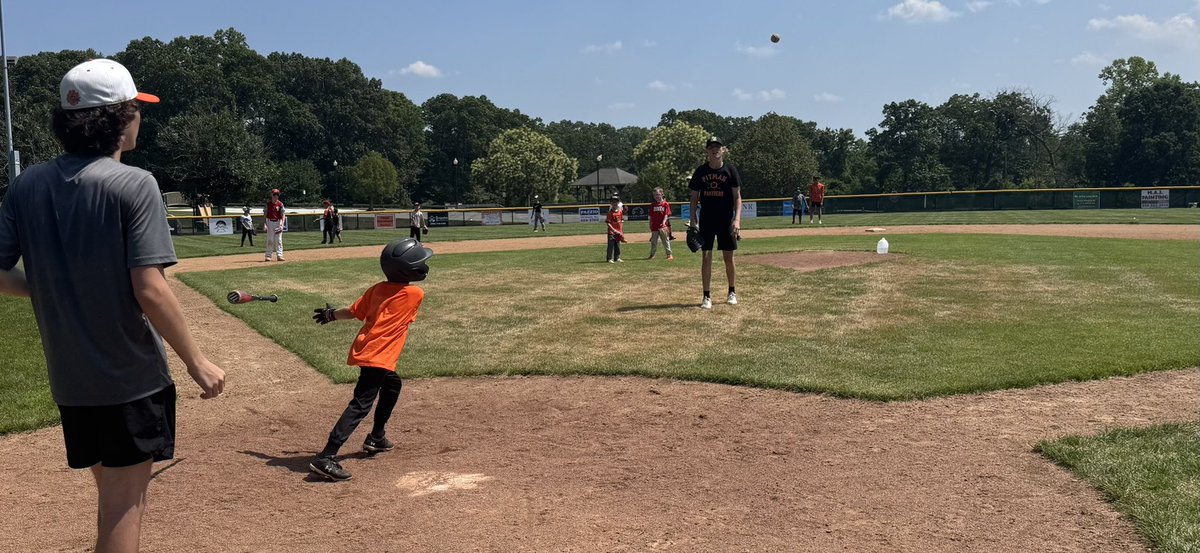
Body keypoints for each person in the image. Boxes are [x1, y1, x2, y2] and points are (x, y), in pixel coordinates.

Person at [0, 58, 225, 553]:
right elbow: (150, 287)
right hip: (129, 378)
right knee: (125, 505)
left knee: (114, 497)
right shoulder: (134, 183)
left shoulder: (26, 185)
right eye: (136, 110)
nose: (140, 119)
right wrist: (196, 360)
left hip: (71, 380)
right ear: (121, 118)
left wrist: (54, 286)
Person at [308, 238, 432, 481]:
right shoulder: (415, 293)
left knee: (393, 385)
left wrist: (331, 314)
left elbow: (354, 312)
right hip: (379, 355)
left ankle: (377, 437)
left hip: (368, 349)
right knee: (360, 404)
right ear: (409, 269)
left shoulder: (377, 289)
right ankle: (326, 456)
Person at [688, 137, 742, 309]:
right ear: (707, 152)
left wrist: (737, 219)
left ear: (723, 150)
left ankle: (732, 291)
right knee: (706, 257)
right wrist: (693, 218)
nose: (714, 150)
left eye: (717, 147)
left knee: (728, 256)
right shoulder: (700, 172)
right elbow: (694, 198)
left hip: (726, 219)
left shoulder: (730, 171)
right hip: (707, 219)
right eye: (711, 147)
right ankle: (706, 296)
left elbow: (737, 198)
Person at [648, 187, 673, 260]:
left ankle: (669, 254)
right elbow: (651, 216)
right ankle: (652, 255)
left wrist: (663, 223)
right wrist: (650, 224)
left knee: (665, 240)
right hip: (655, 226)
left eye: (658, 194)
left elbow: (666, 214)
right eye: (655, 195)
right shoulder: (653, 205)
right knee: (654, 241)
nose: (656, 196)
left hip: (663, 226)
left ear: (662, 194)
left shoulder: (665, 204)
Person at [264, 188, 286, 261]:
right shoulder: (268, 204)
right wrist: (265, 224)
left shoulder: (280, 204)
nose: (276, 196)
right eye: (274, 194)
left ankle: (279, 255)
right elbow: (265, 214)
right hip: (269, 222)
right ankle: (268, 256)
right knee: (270, 240)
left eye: (277, 194)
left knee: (278, 240)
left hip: (278, 222)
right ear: (271, 195)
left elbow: (283, 215)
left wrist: (282, 224)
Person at [605, 193, 625, 263]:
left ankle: (617, 257)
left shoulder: (619, 212)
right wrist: (613, 230)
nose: (615, 203)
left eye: (616, 202)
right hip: (612, 232)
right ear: (611, 203)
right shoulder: (610, 213)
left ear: (618, 203)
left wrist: (620, 230)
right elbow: (608, 223)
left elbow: (621, 221)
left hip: (618, 232)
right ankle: (609, 258)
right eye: (613, 202)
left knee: (618, 245)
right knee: (611, 246)